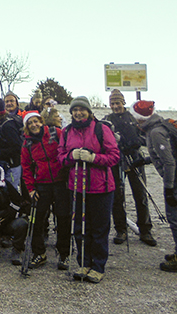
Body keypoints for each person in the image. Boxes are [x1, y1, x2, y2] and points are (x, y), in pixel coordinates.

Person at [57, 96, 120, 283]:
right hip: (77, 187)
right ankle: (84, 263)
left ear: (89, 111)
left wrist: (94, 158)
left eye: (81, 110)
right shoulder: (67, 131)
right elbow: (60, 157)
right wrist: (71, 156)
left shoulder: (102, 129)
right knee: (80, 228)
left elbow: (114, 156)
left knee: (99, 229)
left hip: (101, 187)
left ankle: (98, 266)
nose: (78, 113)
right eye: (74, 110)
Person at [130, 100, 177, 272]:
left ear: (140, 118)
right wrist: (144, 160)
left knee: (174, 215)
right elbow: (164, 154)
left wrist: (168, 189)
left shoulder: (156, 132)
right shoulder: (157, 127)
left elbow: (169, 162)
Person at [105, 89, 157, 247]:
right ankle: (121, 230)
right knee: (117, 197)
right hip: (116, 161)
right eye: (113, 103)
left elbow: (145, 136)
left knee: (140, 194)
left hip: (135, 159)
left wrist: (135, 142)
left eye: (118, 103)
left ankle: (145, 230)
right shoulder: (107, 120)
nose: (115, 106)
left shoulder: (133, 117)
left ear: (123, 102)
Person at [21, 111, 70, 270]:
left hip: (61, 182)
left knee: (63, 219)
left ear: (42, 122)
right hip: (41, 184)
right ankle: (39, 253)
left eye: (36, 121)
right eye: (30, 123)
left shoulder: (56, 133)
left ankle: (64, 254)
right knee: (37, 220)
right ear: (27, 127)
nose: (34, 125)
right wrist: (30, 188)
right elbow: (26, 167)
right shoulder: (27, 144)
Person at [0, 97, 23, 190]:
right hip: (2, 165)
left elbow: (17, 147)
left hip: (11, 166)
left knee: (10, 192)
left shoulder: (7, 126)